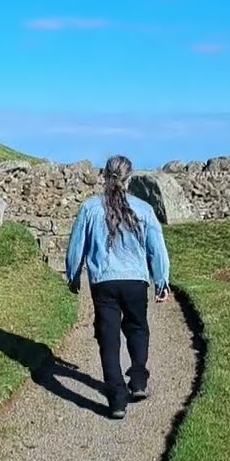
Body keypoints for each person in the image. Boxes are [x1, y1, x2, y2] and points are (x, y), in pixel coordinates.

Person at [65, 155, 172, 420]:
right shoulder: (144, 210)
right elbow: (156, 249)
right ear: (130, 178)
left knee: (108, 338)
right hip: (135, 280)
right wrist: (161, 281)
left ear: (104, 175)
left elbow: (76, 245)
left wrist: (73, 274)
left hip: (104, 282)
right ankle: (138, 380)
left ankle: (116, 398)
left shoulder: (90, 208)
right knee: (138, 328)